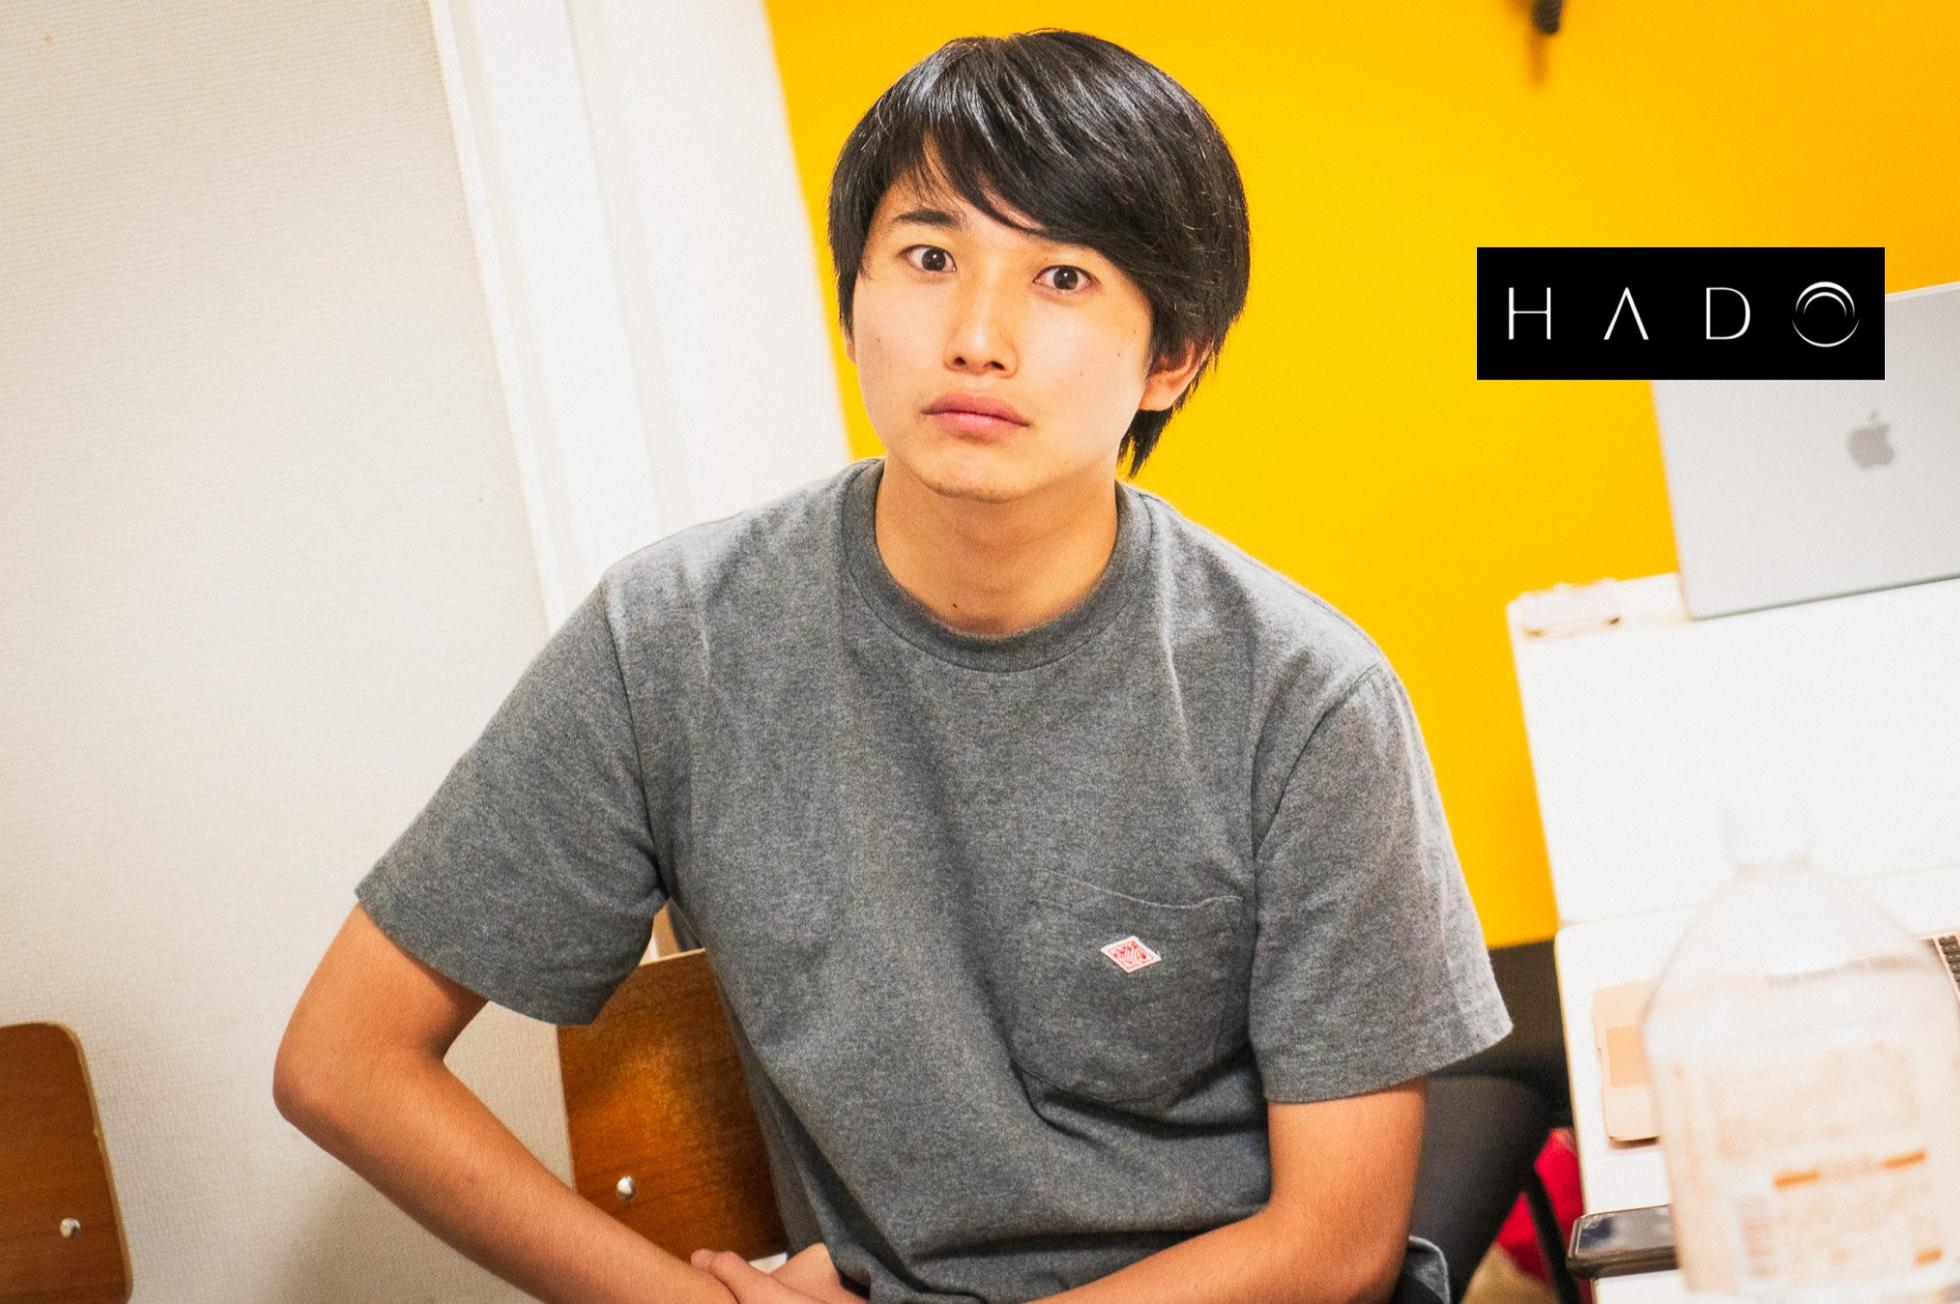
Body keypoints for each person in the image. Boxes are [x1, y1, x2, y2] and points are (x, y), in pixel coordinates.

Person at [274, 28, 1511, 1304]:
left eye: (1063, 277)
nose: (976, 335)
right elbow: (344, 1059)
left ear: (1171, 356)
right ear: (853, 296)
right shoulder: (677, 639)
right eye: (929, 258)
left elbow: (1334, 1240)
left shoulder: (1300, 694)